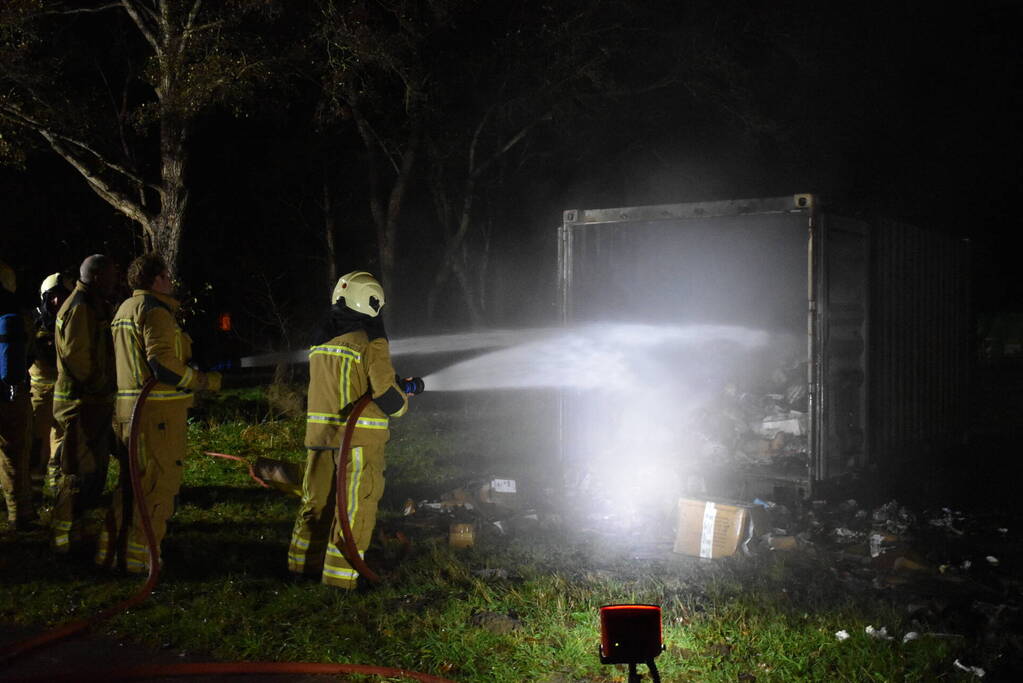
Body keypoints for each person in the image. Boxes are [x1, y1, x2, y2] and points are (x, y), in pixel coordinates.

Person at [95, 254, 220, 573]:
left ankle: (109, 552)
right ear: (157, 279)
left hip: (128, 413)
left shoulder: (124, 309)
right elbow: (162, 364)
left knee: (129, 486)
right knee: (156, 486)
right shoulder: (155, 312)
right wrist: (202, 382)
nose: (171, 282)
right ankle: (140, 559)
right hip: (155, 416)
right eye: (167, 276)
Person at [287, 271, 412, 589]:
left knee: (317, 504)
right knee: (356, 508)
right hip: (357, 442)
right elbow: (387, 397)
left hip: (320, 439)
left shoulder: (320, 341)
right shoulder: (371, 341)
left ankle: (302, 567)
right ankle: (341, 579)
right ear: (371, 301)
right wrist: (403, 399)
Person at [51, 255, 119, 552]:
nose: (115, 282)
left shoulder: (91, 304)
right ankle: (62, 538)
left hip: (91, 403)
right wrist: (100, 386)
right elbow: (79, 360)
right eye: (111, 276)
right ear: (96, 276)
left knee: (90, 473)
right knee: (77, 474)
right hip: (80, 404)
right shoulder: (80, 308)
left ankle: (75, 531)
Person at [30, 272, 74, 494]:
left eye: (62, 296)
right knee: (37, 445)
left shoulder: (71, 323)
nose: (57, 302)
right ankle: (34, 492)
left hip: (62, 394)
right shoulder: (35, 326)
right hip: (39, 397)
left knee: (61, 444)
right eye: (52, 297)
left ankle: (57, 490)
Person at [0, 259, 35, 530]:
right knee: (15, 454)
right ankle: (19, 513)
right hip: (14, 394)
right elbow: (29, 355)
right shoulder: (20, 315)